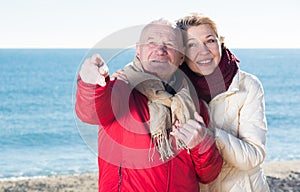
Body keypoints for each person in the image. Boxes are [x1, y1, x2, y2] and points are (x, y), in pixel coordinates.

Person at [75, 19, 223, 192]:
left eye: (169, 44)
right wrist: (91, 84)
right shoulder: (120, 89)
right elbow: (90, 112)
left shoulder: (194, 105)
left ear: (181, 56)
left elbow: (208, 175)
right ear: (138, 50)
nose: (160, 50)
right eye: (151, 43)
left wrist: (202, 144)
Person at [176, 13, 270, 191]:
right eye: (191, 44)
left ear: (221, 42)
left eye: (210, 40)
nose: (203, 51)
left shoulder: (247, 86)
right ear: (181, 55)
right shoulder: (175, 90)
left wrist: (208, 134)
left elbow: (254, 156)